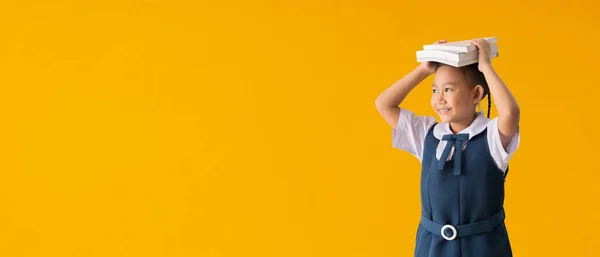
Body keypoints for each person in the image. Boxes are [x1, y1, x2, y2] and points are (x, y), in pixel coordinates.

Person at [375, 38, 521, 257]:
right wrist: (424, 69)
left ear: (476, 94)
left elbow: (510, 113)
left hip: (485, 248)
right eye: (435, 90)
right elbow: (384, 104)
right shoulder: (427, 133)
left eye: (448, 89)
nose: (439, 99)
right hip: (432, 248)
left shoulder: (492, 136)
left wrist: (486, 67)